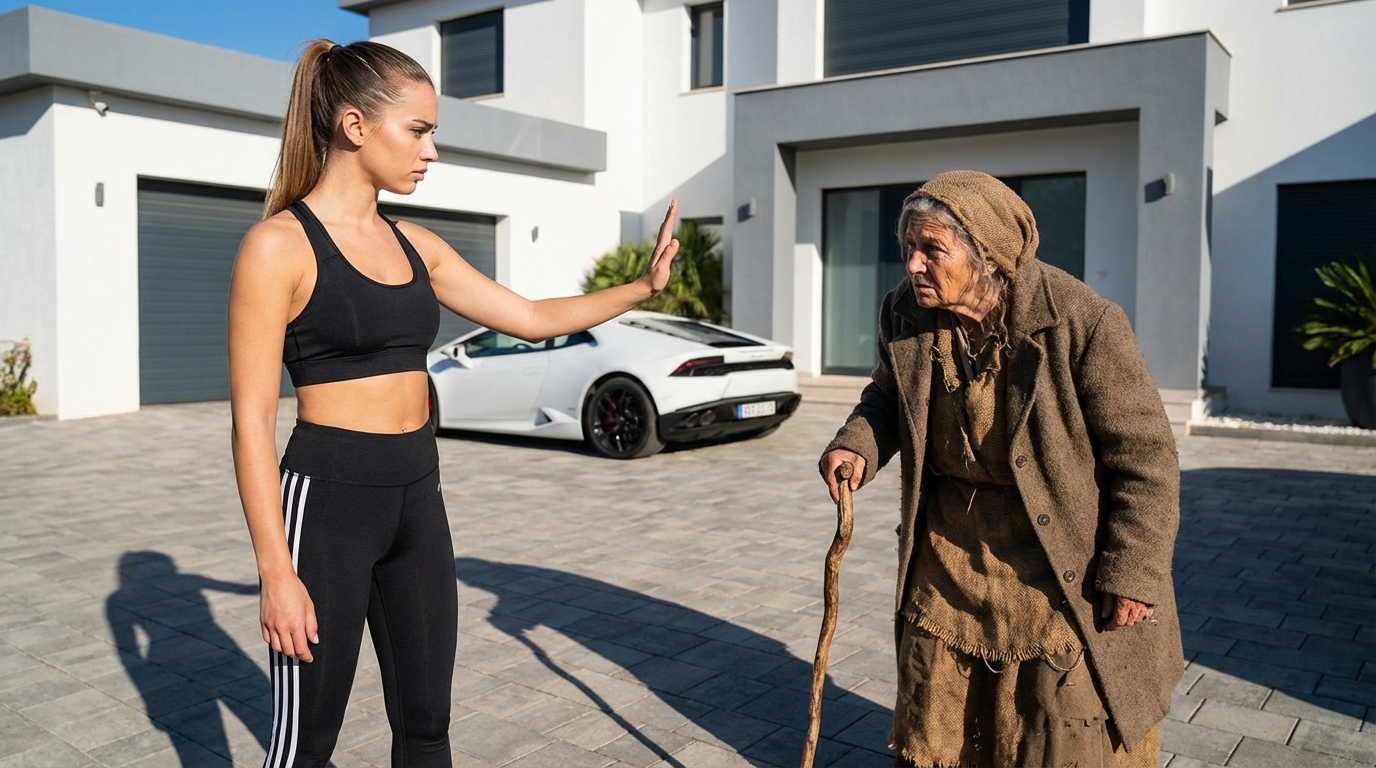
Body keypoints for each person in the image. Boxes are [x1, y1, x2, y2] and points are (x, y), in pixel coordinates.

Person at [227, 40, 680, 768]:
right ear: (354, 127)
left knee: (427, 726)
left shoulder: (418, 246)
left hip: (418, 497)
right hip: (329, 503)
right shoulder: (278, 247)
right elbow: (251, 423)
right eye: (419, 130)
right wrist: (277, 575)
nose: (431, 151)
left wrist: (640, 290)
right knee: (306, 745)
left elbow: (529, 316)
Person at [818, 171, 1182, 767]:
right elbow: (887, 396)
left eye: (932, 249)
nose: (912, 265)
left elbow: (1144, 459)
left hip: (1058, 564)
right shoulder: (905, 316)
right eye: (907, 248)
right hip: (950, 560)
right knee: (946, 730)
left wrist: (1133, 572)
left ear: (987, 254)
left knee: (1057, 732)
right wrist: (858, 443)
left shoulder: (1082, 322)